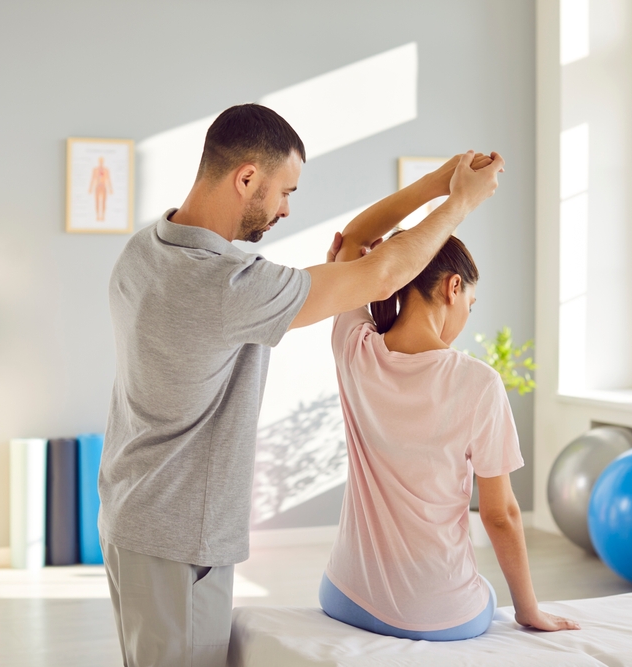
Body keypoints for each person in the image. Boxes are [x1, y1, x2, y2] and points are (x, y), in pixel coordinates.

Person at [98, 102, 505, 667]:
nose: (288, 208)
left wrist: (440, 180)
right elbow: (380, 271)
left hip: (131, 513)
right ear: (247, 178)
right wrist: (459, 200)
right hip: (179, 535)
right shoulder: (225, 286)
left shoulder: (146, 249)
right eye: (285, 190)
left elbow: (360, 252)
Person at [320, 175, 581, 640]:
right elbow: (500, 515)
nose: (467, 315)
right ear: (452, 287)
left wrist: (443, 185)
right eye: (471, 304)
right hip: (434, 613)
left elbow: (354, 240)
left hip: (345, 596)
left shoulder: (355, 345)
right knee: (485, 597)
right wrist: (528, 609)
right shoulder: (478, 383)